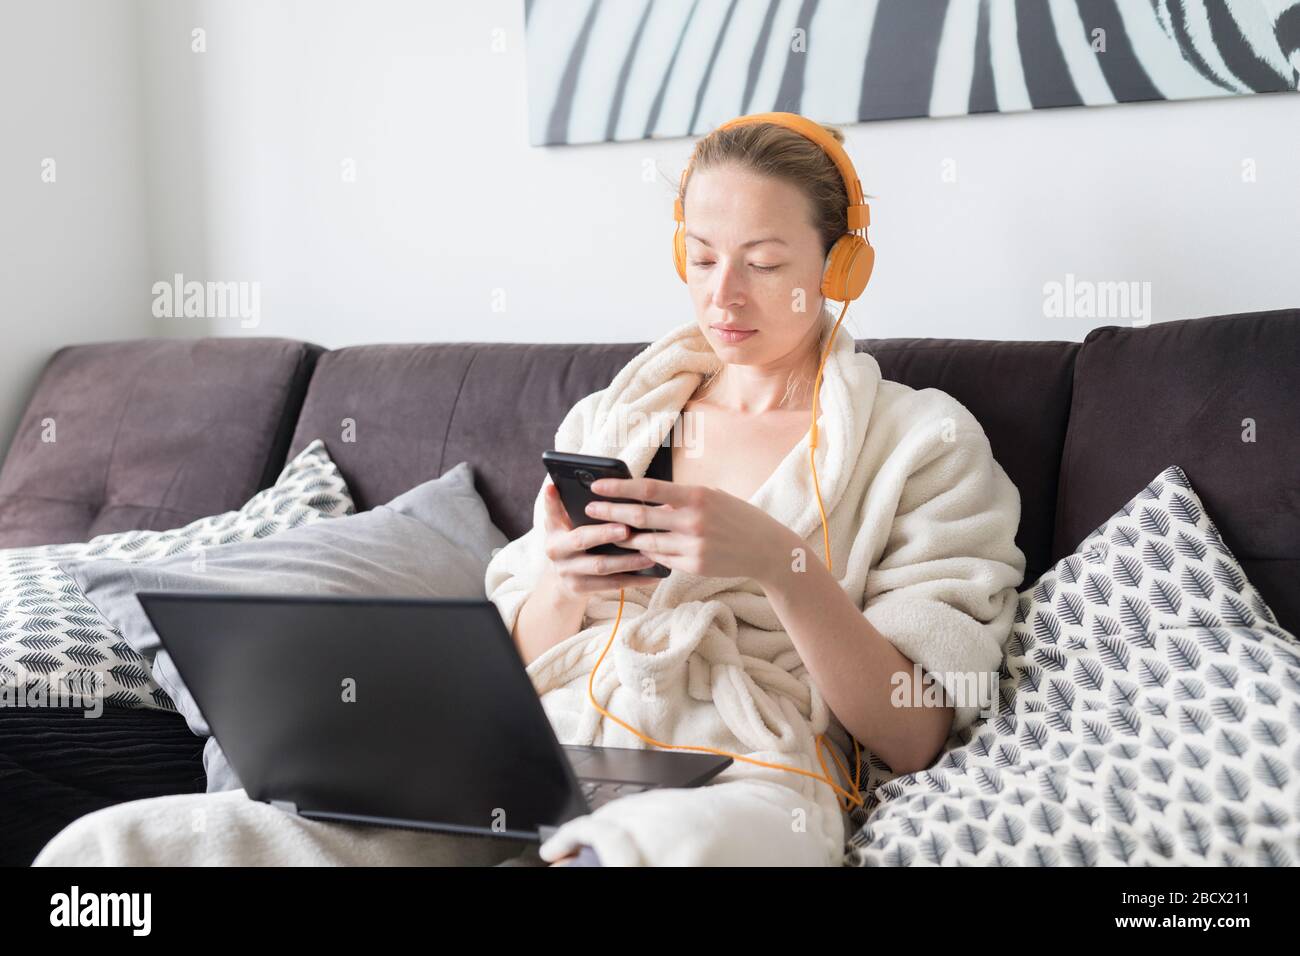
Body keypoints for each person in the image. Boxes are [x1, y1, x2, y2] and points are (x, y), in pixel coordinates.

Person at [34, 114, 1025, 867]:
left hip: (751, 772)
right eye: (703, 256)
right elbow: (514, 651)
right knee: (138, 844)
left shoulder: (919, 441)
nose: (723, 296)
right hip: (547, 747)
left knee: (661, 846)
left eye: (765, 264)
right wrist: (560, 582)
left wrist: (781, 562)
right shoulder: (614, 417)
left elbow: (911, 726)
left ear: (840, 265)